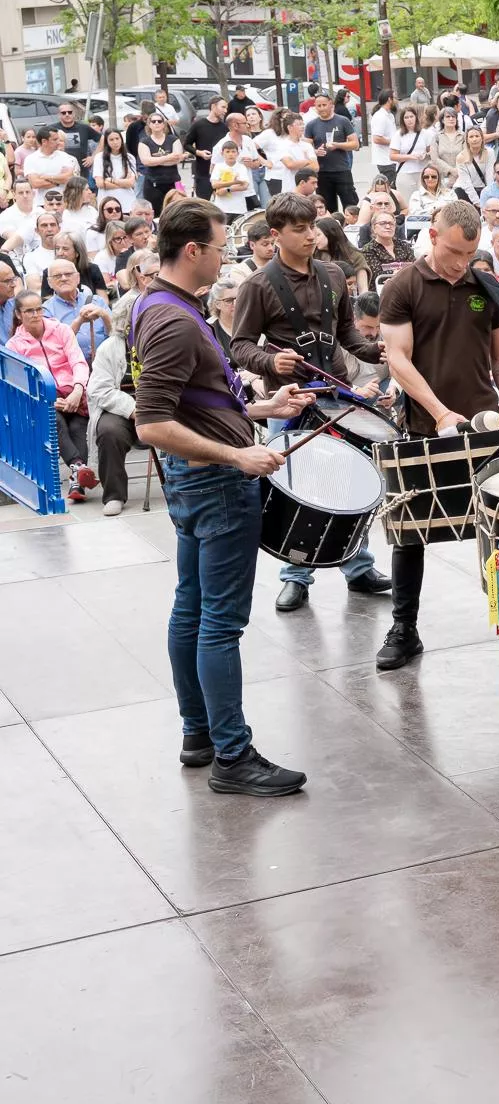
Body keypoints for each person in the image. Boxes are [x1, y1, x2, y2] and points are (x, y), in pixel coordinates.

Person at [130, 198, 314, 794]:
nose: (224, 259)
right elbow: (150, 423)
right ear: (192, 251)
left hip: (197, 481)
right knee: (219, 623)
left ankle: (199, 735)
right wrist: (239, 455)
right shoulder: (175, 321)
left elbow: (197, 401)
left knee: (191, 608)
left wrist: (263, 408)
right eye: (218, 248)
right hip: (215, 484)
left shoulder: (159, 305)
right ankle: (233, 756)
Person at [374, 201, 499, 671]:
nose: (460, 263)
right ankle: (405, 627)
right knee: (410, 531)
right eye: (453, 251)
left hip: (485, 423)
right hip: (424, 426)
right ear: (432, 235)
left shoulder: (484, 284)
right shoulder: (403, 286)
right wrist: (440, 412)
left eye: (469, 253)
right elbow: (398, 360)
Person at [228, 192, 391, 610]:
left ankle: (357, 565)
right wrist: (271, 361)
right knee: (297, 488)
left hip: (335, 394)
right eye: (299, 230)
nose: (310, 236)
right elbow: (240, 346)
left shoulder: (334, 274)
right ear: (276, 234)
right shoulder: (258, 285)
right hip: (292, 400)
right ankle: (295, 574)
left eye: (312, 227)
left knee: (350, 479)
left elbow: (347, 335)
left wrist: (375, 350)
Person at [6, 292, 93, 499]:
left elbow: (78, 362)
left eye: (39, 309)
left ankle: (76, 478)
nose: (36, 314)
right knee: (54, 422)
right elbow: (22, 385)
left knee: (78, 427)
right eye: (29, 311)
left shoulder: (61, 330)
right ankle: (79, 471)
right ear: (19, 314)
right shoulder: (14, 345)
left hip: (75, 396)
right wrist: (50, 401)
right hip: (45, 403)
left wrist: (78, 390)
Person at [85, 298, 140, 516]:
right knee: (109, 431)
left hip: (161, 404)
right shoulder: (109, 348)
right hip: (122, 408)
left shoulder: (162, 341)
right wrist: (134, 409)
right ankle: (114, 495)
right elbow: (99, 390)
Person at [304, 92, 359, 213]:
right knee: (327, 207)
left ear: (331, 104)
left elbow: (355, 144)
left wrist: (338, 145)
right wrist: (315, 152)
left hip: (342, 170)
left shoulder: (343, 121)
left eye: (324, 105)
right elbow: (305, 148)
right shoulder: (311, 125)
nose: (322, 108)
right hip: (322, 172)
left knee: (350, 205)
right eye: (319, 106)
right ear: (315, 107)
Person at [137, 110, 187, 210]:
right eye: (153, 121)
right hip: (153, 184)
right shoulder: (144, 142)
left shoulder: (173, 139)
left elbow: (177, 159)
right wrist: (168, 157)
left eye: (159, 121)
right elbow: (146, 162)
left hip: (173, 182)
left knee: (175, 211)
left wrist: (155, 160)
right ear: (149, 124)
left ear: (164, 124)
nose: (156, 123)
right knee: (155, 213)